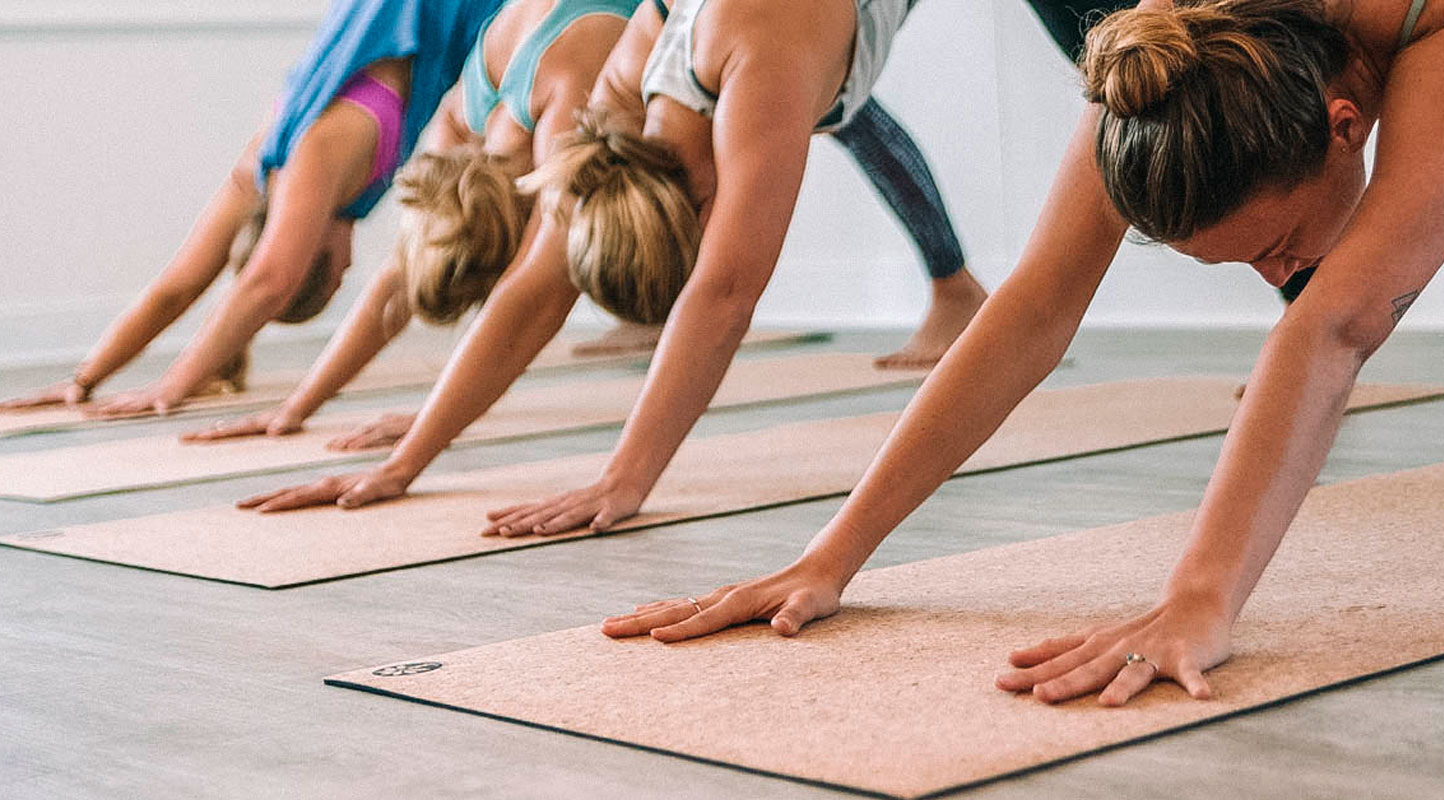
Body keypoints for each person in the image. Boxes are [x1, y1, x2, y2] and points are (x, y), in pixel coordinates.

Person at [603, 0, 1442, 708]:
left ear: (1343, 128)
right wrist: (831, 556)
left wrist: (1198, 599)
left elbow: (1334, 325)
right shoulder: (1172, 48)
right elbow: (1035, 306)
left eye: (1281, 243)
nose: (1277, 277)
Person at [234, 0, 986, 513]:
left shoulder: (757, 67)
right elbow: (532, 289)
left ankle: (952, 285)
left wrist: (625, 479)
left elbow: (722, 295)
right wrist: (405, 464)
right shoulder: (617, 104)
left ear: (697, 207)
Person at [0, 0, 503, 417]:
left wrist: (172, 385)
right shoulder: (261, 168)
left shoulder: (312, 160)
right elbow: (177, 286)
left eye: (334, 278)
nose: (348, 268)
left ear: (308, 255)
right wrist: (86, 379)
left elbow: (264, 281)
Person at [182, 0, 643, 448]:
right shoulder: (463, 121)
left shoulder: (550, 99)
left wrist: (422, 438)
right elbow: (397, 278)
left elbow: (533, 295)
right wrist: (297, 407)